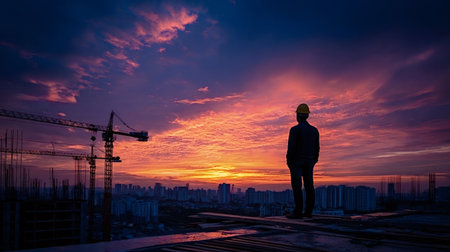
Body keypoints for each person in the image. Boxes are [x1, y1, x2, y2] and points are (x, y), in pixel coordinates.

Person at [286, 103, 320, 219]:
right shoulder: (314, 131)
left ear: (298, 116)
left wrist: (289, 162)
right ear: (307, 116)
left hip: (296, 162)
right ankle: (308, 212)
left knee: (297, 186)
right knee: (309, 186)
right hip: (309, 162)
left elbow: (291, 148)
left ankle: (298, 212)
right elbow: (317, 148)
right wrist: (313, 161)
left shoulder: (295, 130)